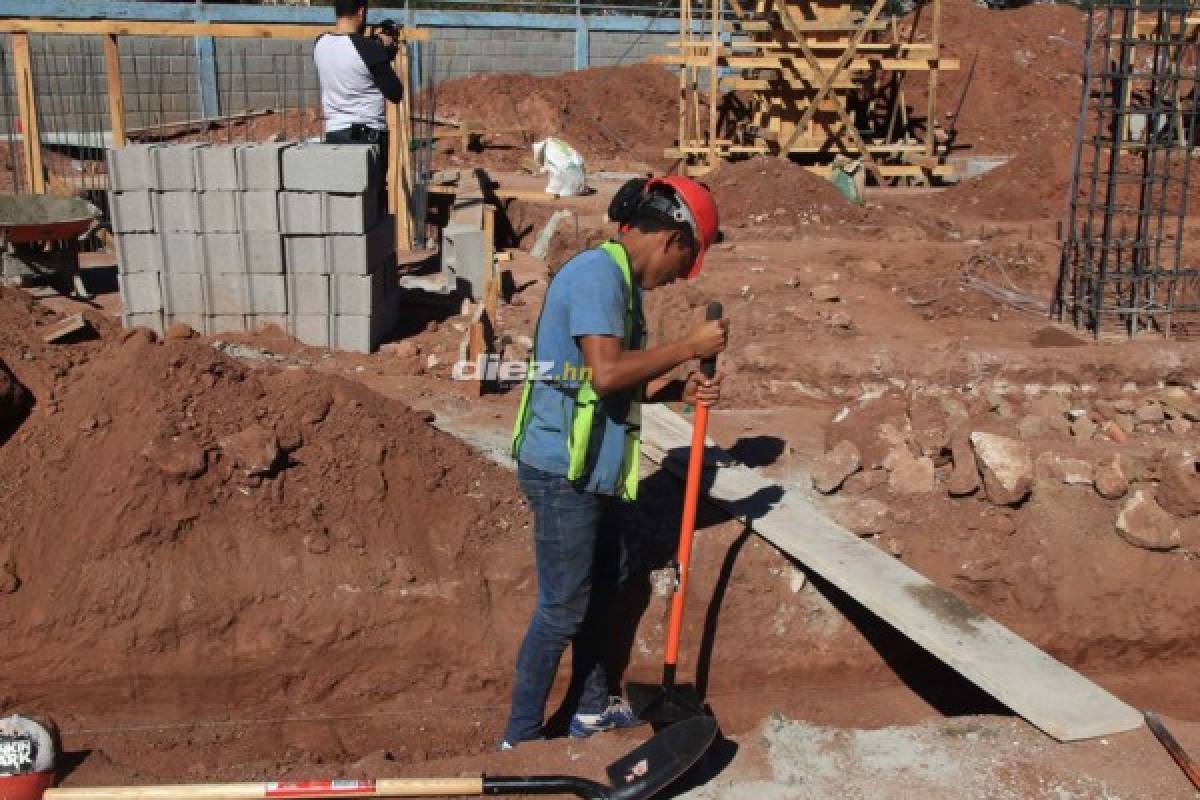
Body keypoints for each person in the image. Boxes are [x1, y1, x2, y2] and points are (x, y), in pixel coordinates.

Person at [502, 176, 729, 749]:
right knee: (563, 607)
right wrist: (689, 347)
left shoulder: (618, 282)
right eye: (682, 265)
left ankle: (591, 708)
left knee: (606, 584)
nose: (675, 278)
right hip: (562, 470)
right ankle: (519, 741)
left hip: (592, 465)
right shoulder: (599, 277)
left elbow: (604, 385)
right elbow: (605, 372)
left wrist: (676, 390)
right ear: (672, 239)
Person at [313, 0, 404, 210]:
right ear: (361, 12)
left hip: (334, 135)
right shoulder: (368, 50)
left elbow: (350, 56)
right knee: (371, 212)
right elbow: (395, 93)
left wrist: (377, 50)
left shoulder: (319, 43)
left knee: (343, 210)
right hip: (367, 139)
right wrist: (384, 50)